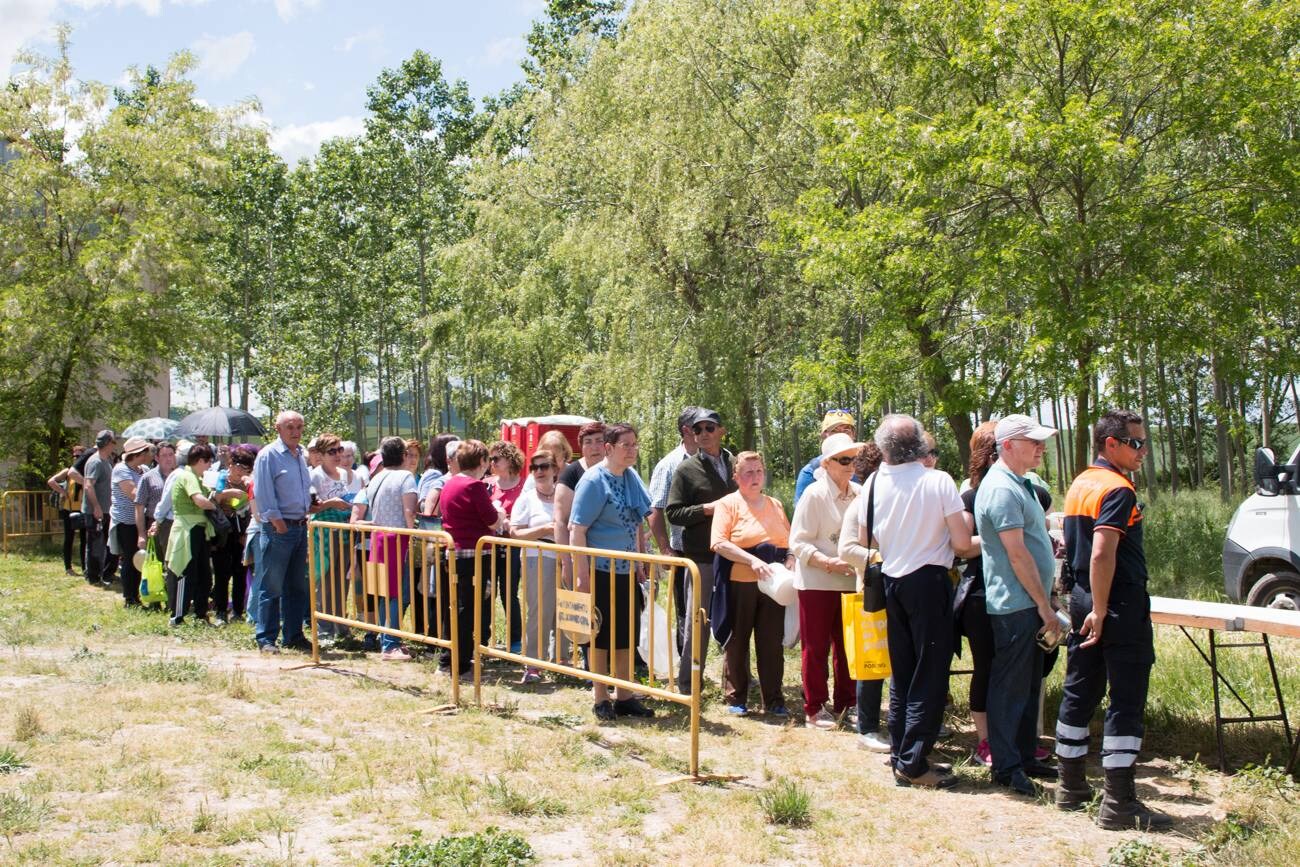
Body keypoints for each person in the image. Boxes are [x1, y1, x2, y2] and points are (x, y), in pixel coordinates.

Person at [1054, 410, 1172, 831]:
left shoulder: (1082, 482)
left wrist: (1090, 606)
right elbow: (1103, 552)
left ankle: (1070, 787)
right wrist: (1104, 611)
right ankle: (1119, 803)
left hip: (1083, 596)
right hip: (1115, 603)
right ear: (1111, 444)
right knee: (1126, 697)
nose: (1143, 451)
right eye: (1136, 443)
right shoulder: (1117, 488)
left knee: (1080, 688)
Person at [861, 414, 979, 789]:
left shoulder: (875, 482)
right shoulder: (938, 481)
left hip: (892, 581)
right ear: (921, 447)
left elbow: (869, 536)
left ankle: (902, 755)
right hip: (929, 582)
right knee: (929, 674)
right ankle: (913, 764)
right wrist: (995, 541)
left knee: (903, 673)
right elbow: (962, 544)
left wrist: (903, 537)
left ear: (884, 449)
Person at [974, 414, 1063, 796]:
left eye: (1042, 441)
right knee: (1010, 688)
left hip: (1028, 603)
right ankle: (1007, 767)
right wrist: (1045, 607)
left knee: (1028, 687)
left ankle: (1024, 756)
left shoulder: (1019, 482)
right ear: (1007, 445)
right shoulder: (1001, 489)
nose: (1042, 447)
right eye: (1034, 441)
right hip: (1016, 606)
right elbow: (1017, 555)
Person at [570, 423, 655, 721]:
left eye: (635, 444)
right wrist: (582, 577)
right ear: (609, 448)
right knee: (600, 635)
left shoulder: (631, 478)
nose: (632, 450)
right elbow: (576, 530)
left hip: (626, 570)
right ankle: (600, 697)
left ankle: (625, 696)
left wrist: (640, 562)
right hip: (599, 569)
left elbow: (636, 524)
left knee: (625, 635)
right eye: (626, 445)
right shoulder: (594, 481)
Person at [710, 451, 792, 717]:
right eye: (747, 472)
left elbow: (790, 541)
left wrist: (790, 558)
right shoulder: (727, 504)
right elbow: (719, 543)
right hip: (740, 582)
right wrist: (751, 560)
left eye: (758, 471)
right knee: (738, 641)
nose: (754, 477)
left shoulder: (776, 504)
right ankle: (737, 696)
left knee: (771, 642)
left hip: (774, 583)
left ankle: (774, 699)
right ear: (736, 476)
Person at [789, 432, 862, 729]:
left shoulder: (859, 492)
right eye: (844, 460)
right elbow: (798, 541)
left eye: (854, 459)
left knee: (849, 648)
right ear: (828, 463)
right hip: (817, 582)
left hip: (849, 582)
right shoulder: (814, 494)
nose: (850, 465)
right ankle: (814, 707)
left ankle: (848, 702)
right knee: (816, 648)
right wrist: (827, 562)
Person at [665, 408, 736, 697]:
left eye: (709, 428)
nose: (704, 434)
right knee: (699, 621)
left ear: (721, 430)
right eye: (698, 430)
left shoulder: (736, 463)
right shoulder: (686, 469)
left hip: (735, 554)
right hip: (702, 558)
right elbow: (673, 512)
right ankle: (689, 684)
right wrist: (706, 509)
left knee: (736, 619)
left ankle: (735, 682)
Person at [839, 441, 891, 751]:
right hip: (873, 590)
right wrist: (883, 557)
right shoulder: (861, 503)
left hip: (900, 588)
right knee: (873, 660)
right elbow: (847, 548)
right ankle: (868, 726)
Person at [438, 439, 504, 676]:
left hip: (453, 552)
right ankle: (459, 663)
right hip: (473, 554)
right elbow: (492, 520)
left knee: (455, 607)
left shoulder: (450, 483)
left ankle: (450, 659)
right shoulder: (474, 487)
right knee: (467, 608)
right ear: (482, 461)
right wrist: (500, 510)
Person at [252, 411, 316, 654]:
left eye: (299, 426)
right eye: (290, 426)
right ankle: (266, 638)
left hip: (299, 527)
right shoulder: (268, 455)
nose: (296, 431)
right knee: (272, 585)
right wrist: (279, 525)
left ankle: (293, 635)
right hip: (280, 528)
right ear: (277, 428)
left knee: (296, 586)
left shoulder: (300, 455)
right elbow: (264, 494)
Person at [351, 436, 419, 660]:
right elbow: (409, 511)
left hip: (379, 538)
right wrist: (414, 534)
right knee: (397, 593)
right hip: (398, 539)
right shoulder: (405, 477)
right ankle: (390, 644)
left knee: (385, 592)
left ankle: (386, 638)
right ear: (402, 455)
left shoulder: (376, 478)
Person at [954, 422, 998, 766]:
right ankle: (985, 741)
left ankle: (1013, 736)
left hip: (1018, 592)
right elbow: (962, 547)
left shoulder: (1025, 487)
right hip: (981, 592)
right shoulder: (969, 495)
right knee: (986, 666)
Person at [647, 406, 701, 656]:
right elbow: (655, 511)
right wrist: (665, 550)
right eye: (701, 425)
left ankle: (733, 672)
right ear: (686, 430)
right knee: (686, 611)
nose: (707, 429)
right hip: (683, 550)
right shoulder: (668, 465)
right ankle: (686, 672)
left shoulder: (718, 457)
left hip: (717, 548)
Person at [511, 450, 562, 682]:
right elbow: (515, 533)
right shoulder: (527, 498)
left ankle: (562, 660)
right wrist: (545, 529)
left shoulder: (563, 495)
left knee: (564, 610)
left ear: (555, 470)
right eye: (535, 468)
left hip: (564, 558)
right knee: (538, 611)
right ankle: (533, 663)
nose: (539, 472)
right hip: (536, 557)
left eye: (545, 466)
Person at [309, 434, 359, 639]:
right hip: (324, 532)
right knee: (326, 580)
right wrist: (332, 503)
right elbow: (310, 506)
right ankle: (324, 628)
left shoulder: (345, 474)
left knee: (341, 580)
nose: (338, 455)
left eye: (339, 450)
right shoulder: (316, 475)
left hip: (344, 531)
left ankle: (341, 624)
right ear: (320, 455)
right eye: (332, 451)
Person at [165, 443, 220, 625]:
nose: (209, 466)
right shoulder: (187, 476)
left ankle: (200, 613)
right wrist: (215, 507)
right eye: (208, 462)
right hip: (187, 531)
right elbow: (200, 501)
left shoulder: (196, 477)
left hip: (199, 530)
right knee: (185, 574)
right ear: (200, 460)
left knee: (204, 575)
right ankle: (177, 617)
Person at [555, 421, 607, 586]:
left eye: (599, 441)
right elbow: (560, 521)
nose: (594, 447)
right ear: (581, 447)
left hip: (614, 559)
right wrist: (567, 563)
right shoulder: (571, 474)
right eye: (588, 442)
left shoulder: (619, 470)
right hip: (582, 558)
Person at [487, 440, 527, 653]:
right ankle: (484, 636)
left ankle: (515, 640)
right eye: (490, 459)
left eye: (496, 459)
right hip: (490, 544)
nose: (492, 463)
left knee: (509, 592)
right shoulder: (488, 484)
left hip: (512, 545)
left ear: (510, 459)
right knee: (488, 591)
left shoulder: (524, 485)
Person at [211, 448, 255, 625]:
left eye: (246, 467)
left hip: (242, 532)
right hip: (223, 532)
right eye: (239, 465)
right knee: (222, 572)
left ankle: (238, 610)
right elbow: (216, 497)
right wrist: (232, 493)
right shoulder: (221, 477)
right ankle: (221, 610)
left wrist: (246, 533)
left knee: (240, 571)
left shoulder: (249, 483)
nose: (241, 470)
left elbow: (253, 508)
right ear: (230, 464)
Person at [110, 437, 154, 606]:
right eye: (146, 452)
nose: (149, 455)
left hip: (141, 520)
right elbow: (135, 494)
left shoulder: (142, 469)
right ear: (139, 454)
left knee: (141, 559)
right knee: (130, 559)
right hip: (126, 522)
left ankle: (138, 594)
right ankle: (130, 597)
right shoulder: (121, 470)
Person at [76, 430, 118, 587]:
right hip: (95, 511)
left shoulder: (106, 460)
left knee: (103, 543)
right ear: (108, 443)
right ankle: (93, 577)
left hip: (105, 509)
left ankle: (101, 573)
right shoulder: (95, 462)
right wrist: (97, 507)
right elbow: (88, 486)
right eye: (114, 441)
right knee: (95, 544)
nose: (115, 444)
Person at [793, 410, 856, 505]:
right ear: (824, 435)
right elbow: (802, 516)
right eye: (834, 431)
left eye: (846, 431)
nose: (841, 435)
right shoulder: (810, 473)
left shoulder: (865, 468)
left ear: (853, 435)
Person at [47, 444, 87, 576]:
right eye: (75, 456)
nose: (76, 458)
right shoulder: (68, 471)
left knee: (84, 539)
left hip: (83, 509)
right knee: (69, 538)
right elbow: (51, 481)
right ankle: (68, 568)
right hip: (68, 510)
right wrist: (62, 491)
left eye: (79, 456)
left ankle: (84, 567)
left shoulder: (86, 471)